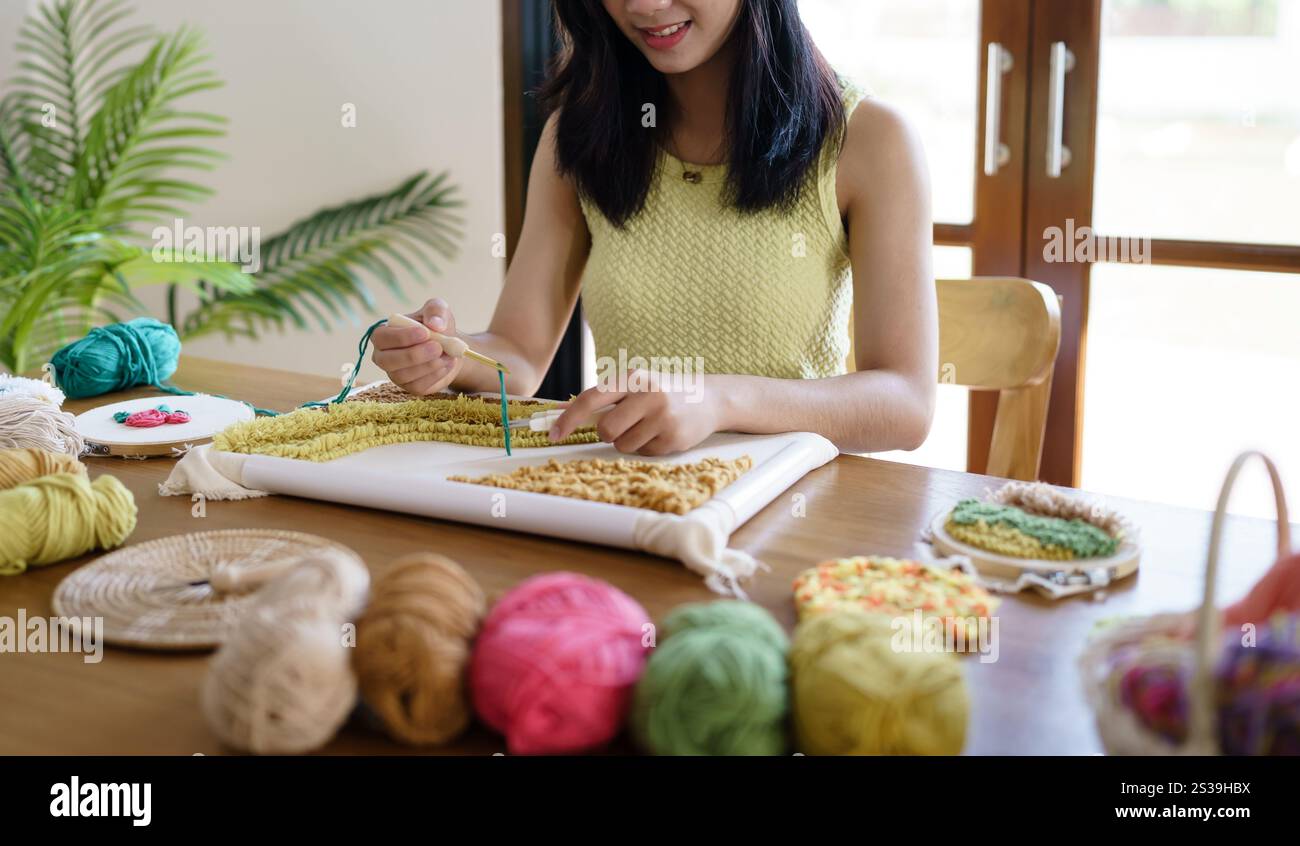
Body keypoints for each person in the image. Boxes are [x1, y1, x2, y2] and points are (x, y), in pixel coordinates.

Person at [371, 0, 936, 456]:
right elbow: (518, 355)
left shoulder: (869, 140)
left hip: (792, 504)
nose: (643, 6)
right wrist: (450, 355)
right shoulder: (579, 137)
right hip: (627, 495)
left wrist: (719, 400)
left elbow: (906, 405)